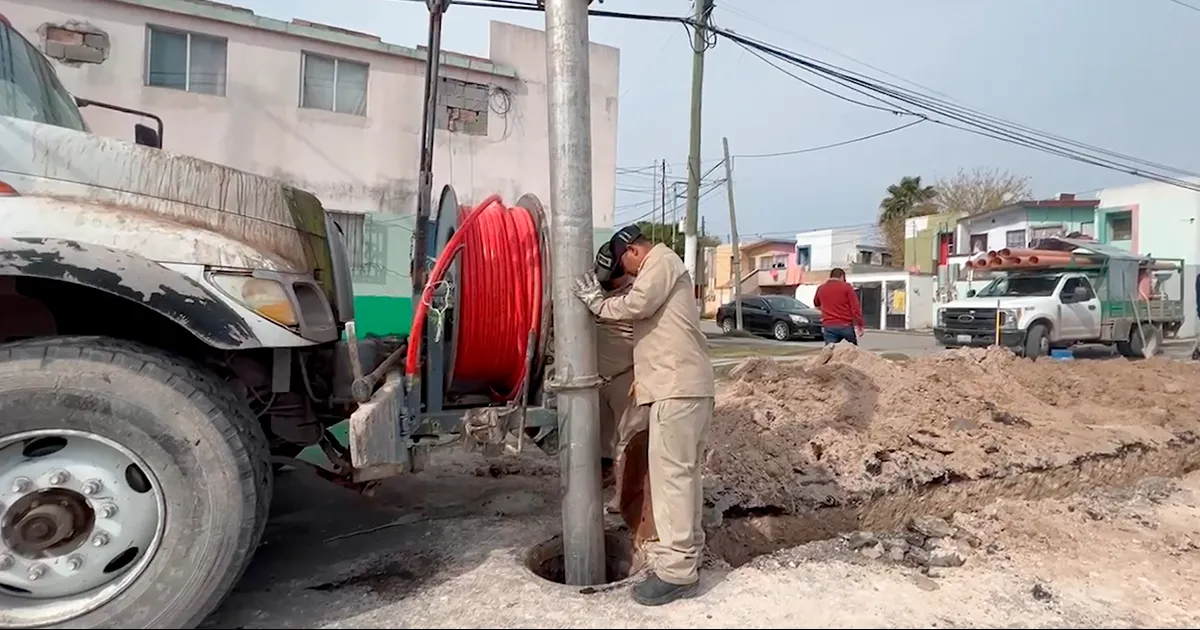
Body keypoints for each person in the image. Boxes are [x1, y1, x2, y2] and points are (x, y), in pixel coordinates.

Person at [573, 224, 715, 607]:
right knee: (684, 476)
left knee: (671, 480)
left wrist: (597, 303)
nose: (628, 275)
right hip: (682, 388)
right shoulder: (665, 268)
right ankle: (689, 553)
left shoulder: (660, 262)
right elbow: (659, 329)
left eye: (625, 267)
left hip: (677, 390)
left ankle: (677, 572)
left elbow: (637, 305)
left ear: (633, 251)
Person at [592, 241, 650, 514]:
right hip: (595, 378)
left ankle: (624, 497)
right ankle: (604, 477)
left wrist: (644, 373)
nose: (605, 284)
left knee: (628, 439)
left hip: (626, 377)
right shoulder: (596, 289)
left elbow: (650, 338)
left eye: (610, 279)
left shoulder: (638, 294)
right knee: (597, 437)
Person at [813, 267, 865, 346]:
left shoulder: (821, 288)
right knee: (853, 350)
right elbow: (855, 308)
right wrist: (860, 325)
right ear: (842, 277)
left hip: (829, 325)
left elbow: (816, 303)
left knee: (830, 350)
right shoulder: (847, 287)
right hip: (845, 325)